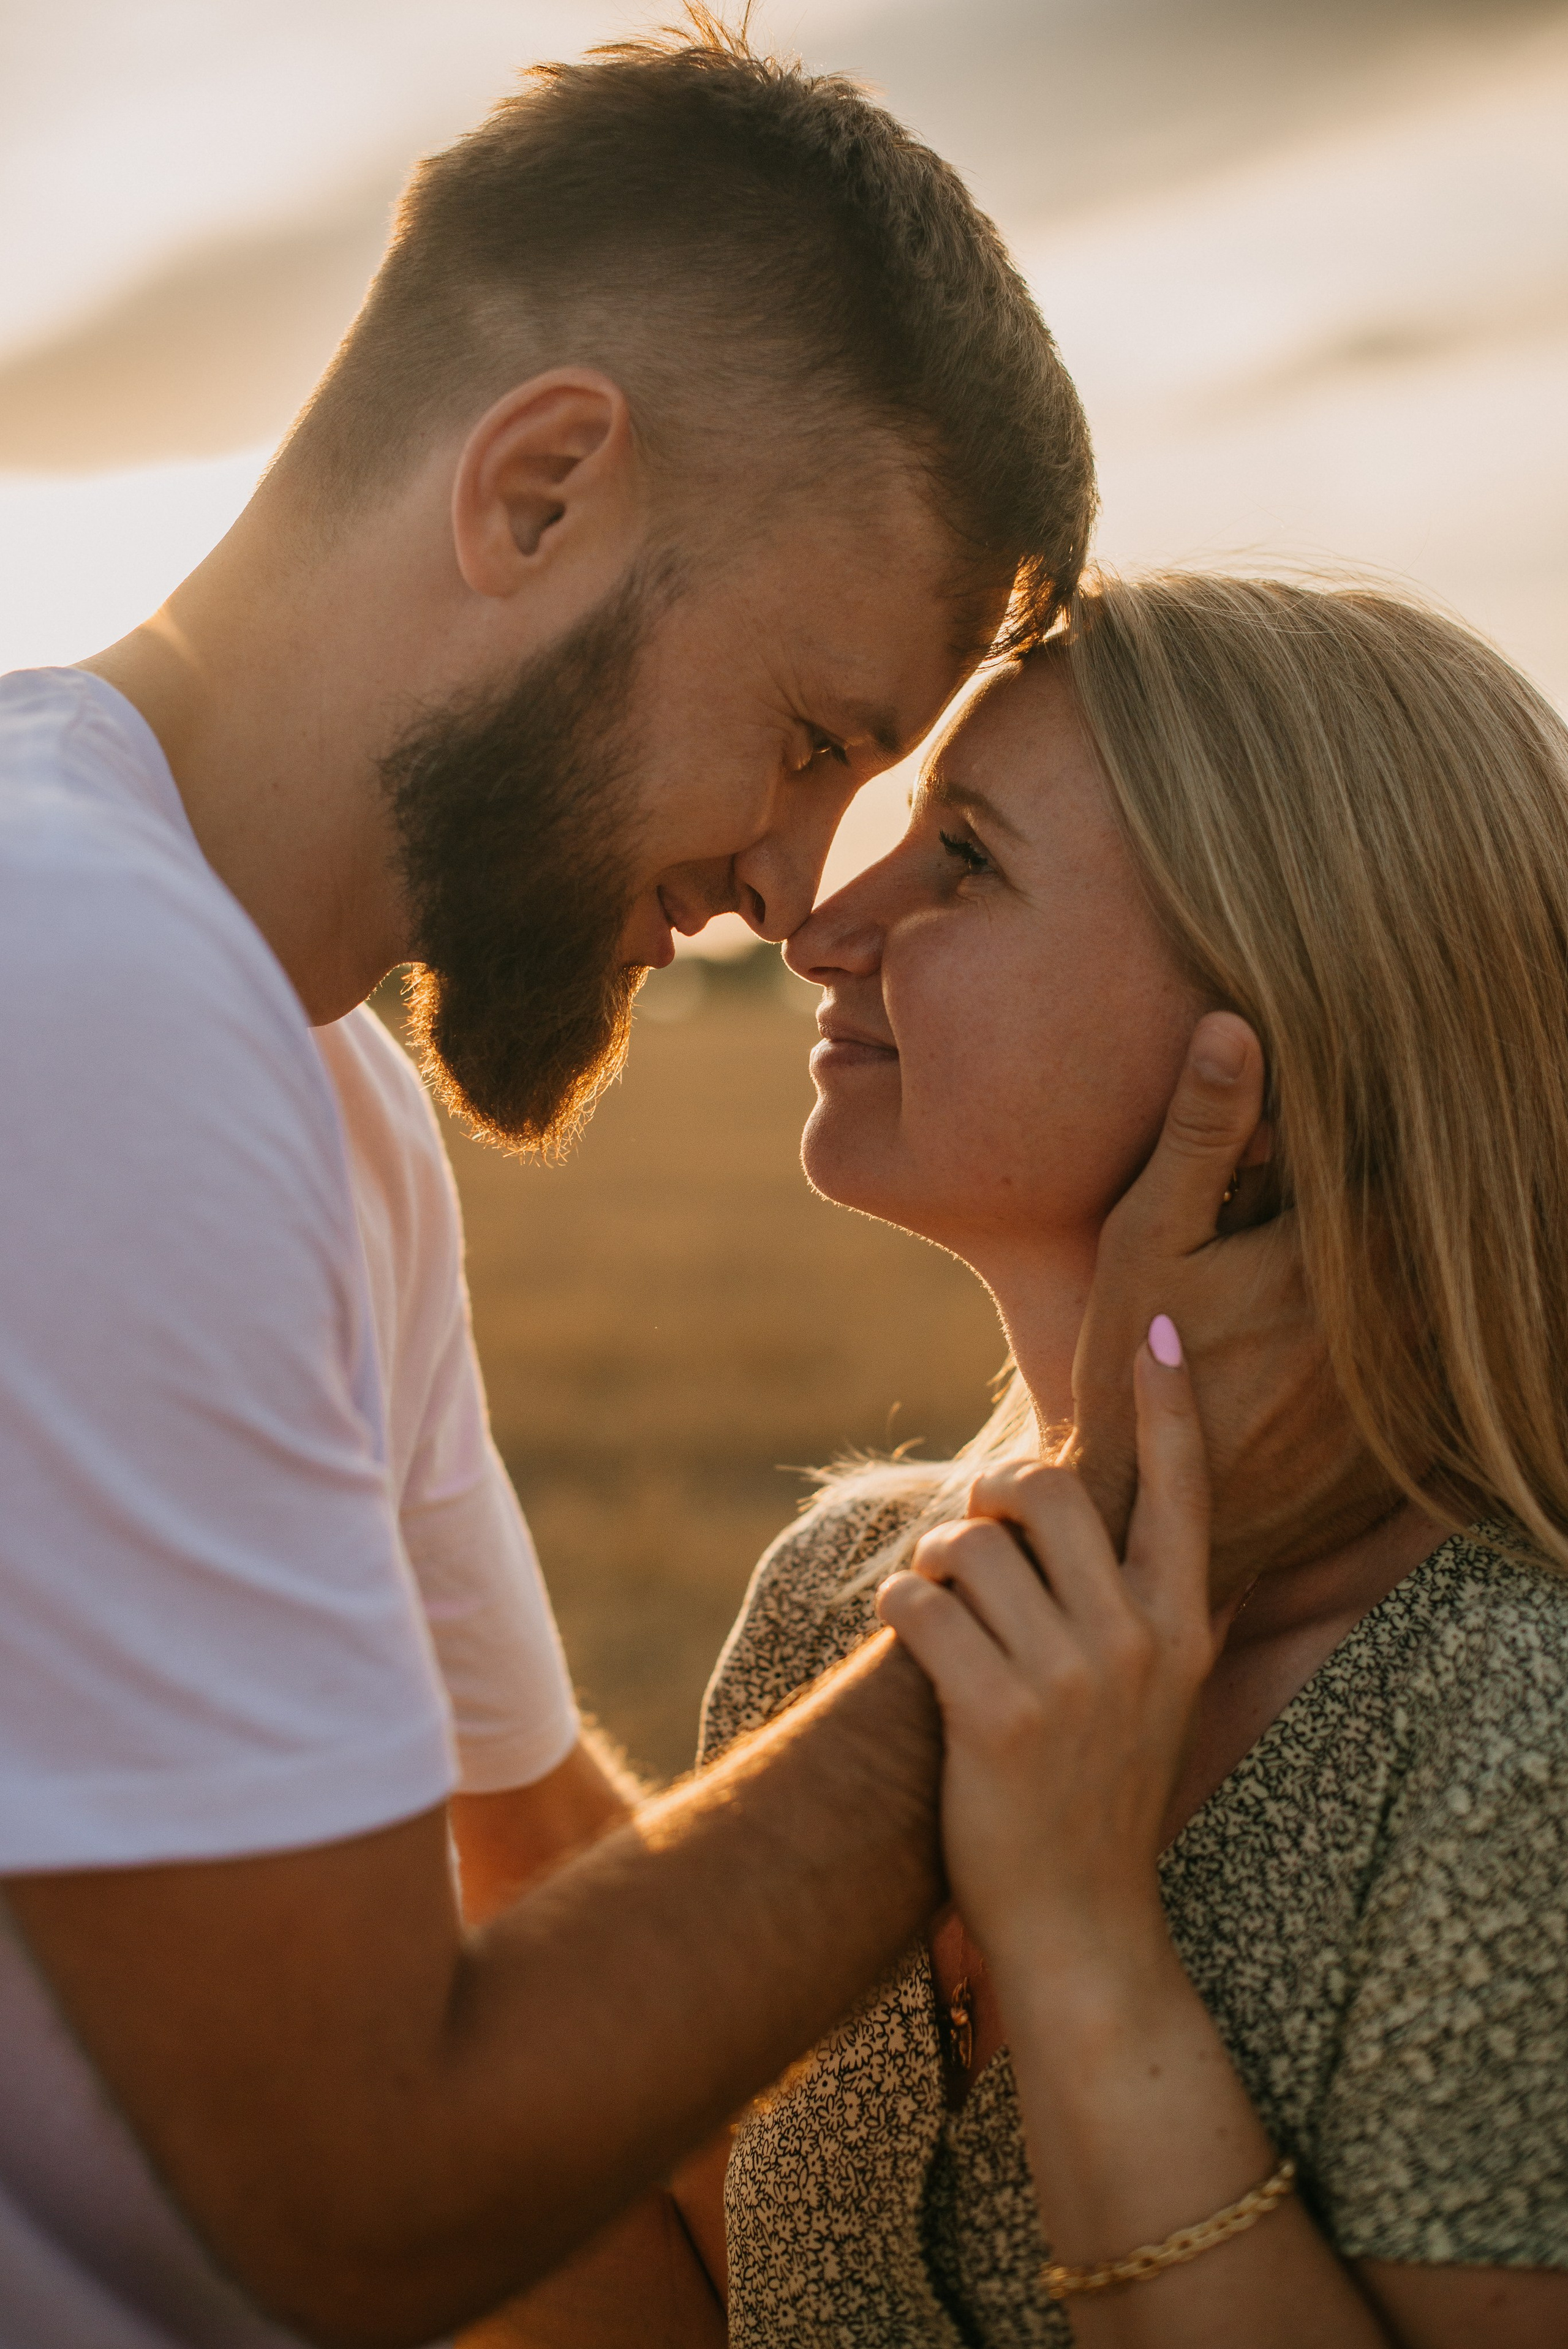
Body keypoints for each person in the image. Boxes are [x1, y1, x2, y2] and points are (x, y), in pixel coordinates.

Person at [0, 22, 1376, 2349]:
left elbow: (521, 1864)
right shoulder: (87, 995)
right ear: (538, 491)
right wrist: (1104, 1551)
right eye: (820, 738)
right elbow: (373, 2187)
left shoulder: (306, 1066)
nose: (784, 880)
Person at [694, 572, 1568, 2347]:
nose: (826, 921)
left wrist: (1084, 1938)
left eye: (967, 861)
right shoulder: (835, 1602)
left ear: (1273, 1048)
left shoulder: (1511, 1724)